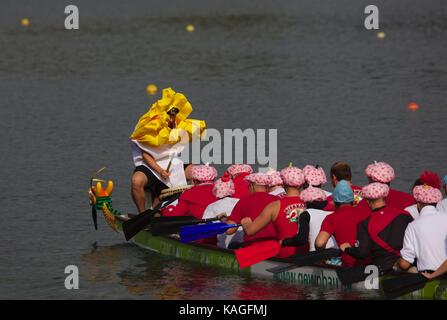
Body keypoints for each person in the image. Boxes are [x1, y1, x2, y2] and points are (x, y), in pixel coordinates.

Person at [129, 88, 206, 212]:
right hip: (151, 166)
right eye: (170, 116)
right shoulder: (150, 128)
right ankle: (142, 215)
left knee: (200, 172)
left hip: (174, 163)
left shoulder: (179, 125)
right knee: (136, 181)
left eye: (174, 116)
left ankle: (198, 208)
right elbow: (146, 155)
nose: (171, 119)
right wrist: (160, 171)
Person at [341, 183, 413, 272]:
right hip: (408, 263)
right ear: (385, 197)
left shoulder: (365, 223)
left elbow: (362, 253)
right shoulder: (404, 215)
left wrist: (347, 249)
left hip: (384, 269)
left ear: (367, 201)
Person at [240, 166, 307, 257]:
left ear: (283, 183)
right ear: (301, 183)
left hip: (283, 253)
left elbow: (250, 231)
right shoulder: (309, 202)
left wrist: (246, 223)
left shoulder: (275, 206)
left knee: (236, 246)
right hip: (306, 252)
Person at [315, 180, 371, 266]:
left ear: (335, 201)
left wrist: (322, 258)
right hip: (370, 263)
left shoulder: (331, 218)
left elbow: (320, 243)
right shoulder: (367, 213)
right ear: (352, 199)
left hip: (348, 265)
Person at [398, 184, 447, 273]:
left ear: (418, 203)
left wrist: (396, 264)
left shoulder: (413, 226)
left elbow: (405, 264)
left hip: (429, 275)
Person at [226, 172, 278, 246]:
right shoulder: (278, 200)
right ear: (267, 186)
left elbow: (229, 230)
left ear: (252, 185)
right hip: (275, 246)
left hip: (251, 246)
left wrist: (224, 220)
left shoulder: (244, 201)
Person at [282, 186, 338, 252]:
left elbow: (301, 239)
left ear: (306, 201)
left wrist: (284, 242)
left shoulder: (307, 214)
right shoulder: (333, 213)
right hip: (335, 252)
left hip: (316, 254)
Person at [202, 172, 242, 248]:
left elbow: (204, 226)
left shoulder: (211, 207)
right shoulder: (240, 202)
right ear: (232, 188)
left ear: (216, 190)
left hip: (221, 246)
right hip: (241, 243)